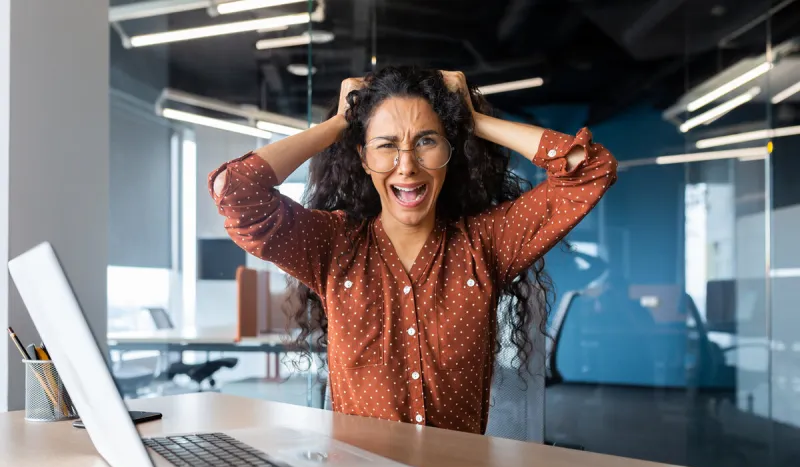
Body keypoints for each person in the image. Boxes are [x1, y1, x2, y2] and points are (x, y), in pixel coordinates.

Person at [208, 66, 617, 434]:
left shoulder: (487, 244)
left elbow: (591, 169)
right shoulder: (331, 247)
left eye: (426, 142)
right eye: (386, 145)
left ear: (450, 153)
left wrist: (473, 120)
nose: (407, 166)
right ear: (363, 159)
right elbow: (236, 190)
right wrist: (338, 124)